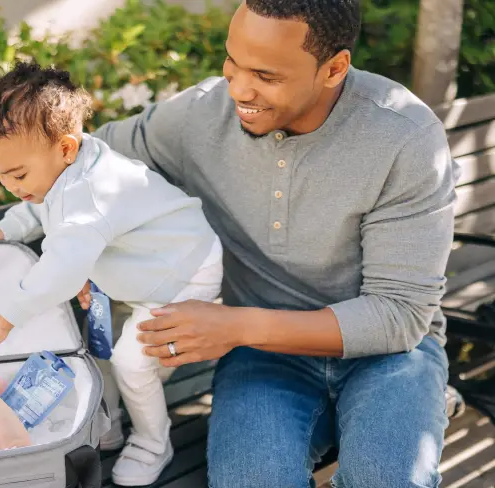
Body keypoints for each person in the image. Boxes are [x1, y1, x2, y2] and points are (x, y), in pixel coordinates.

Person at [91, 1, 458, 486]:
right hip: (263, 358)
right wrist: (71, 242)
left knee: (388, 479)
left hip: (389, 358)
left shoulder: (405, 138)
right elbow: (88, 158)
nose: (239, 89)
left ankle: (415, 403)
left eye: (266, 75)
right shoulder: (200, 114)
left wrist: (236, 326)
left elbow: (399, 316)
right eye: (232, 62)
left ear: (334, 69)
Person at [0, 61, 224, 486]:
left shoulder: (88, 194)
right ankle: (110, 420)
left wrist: (4, 319)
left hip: (184, 272)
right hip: (145, 267)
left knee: (132, 362)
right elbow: (41, 200)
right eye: (1, 176)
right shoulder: (69, 160)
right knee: (98, 349)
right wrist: (9, 226)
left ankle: (153, 442)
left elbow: (61, 271)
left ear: (66, 148)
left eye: (17, 174)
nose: (11, 186)